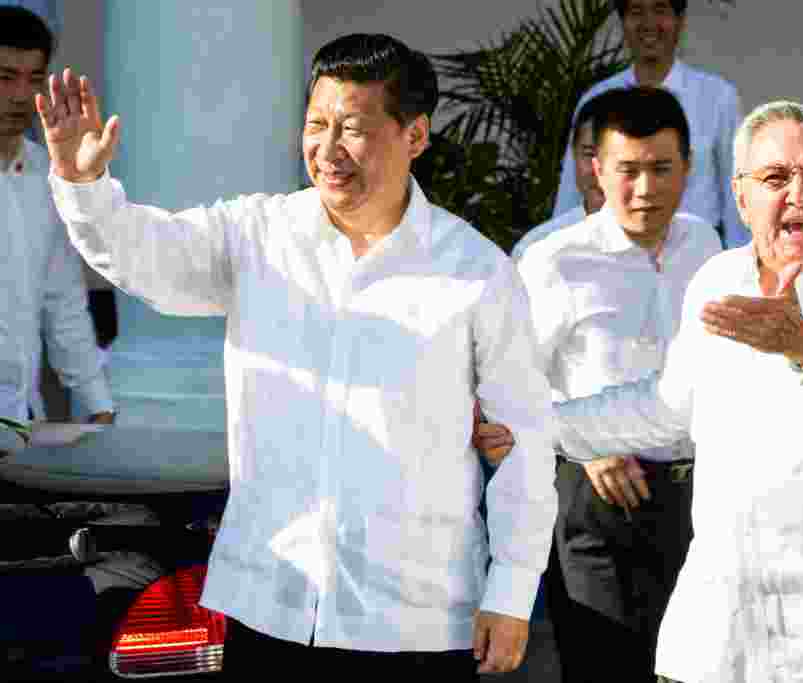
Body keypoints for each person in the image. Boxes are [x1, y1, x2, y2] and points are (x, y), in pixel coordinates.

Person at [38, 33, 557, 679]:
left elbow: (525, 442)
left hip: (415, 621)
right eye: (316, 124)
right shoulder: (258, 235)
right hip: (269, 607)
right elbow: (145, 254)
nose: (328, 149)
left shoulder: (477, 271)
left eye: (353, 128)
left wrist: (510, 593)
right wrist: (85, 184)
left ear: (415, 135)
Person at [552, 101, 803, 682]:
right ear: (741, 197)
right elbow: (669, 407)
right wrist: (537, 424)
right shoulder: (718, 279)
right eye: (774, 178)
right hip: (719, 646)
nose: (798, 193)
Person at [518, 86, 720, 683]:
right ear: (595, 169)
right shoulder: (554, 261)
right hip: (595, 497)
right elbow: (507, 385)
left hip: (695, 500)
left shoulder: (706, 247)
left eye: (662, 169)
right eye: (627, 170)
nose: (645, 189)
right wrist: (587, 445)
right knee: (605, 667)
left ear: (688, 167)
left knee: (690, 668)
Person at [552, 0, 746, 249]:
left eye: (660, 9)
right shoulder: (597, 99)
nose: (648, 23)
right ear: (622, 22)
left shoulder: (718, 98)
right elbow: (571, 191)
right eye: (636, 11)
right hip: (611, 260)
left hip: (696, 256)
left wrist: (742, 266)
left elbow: (736, 196)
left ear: (680, 20)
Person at [0, 5, 113, 425]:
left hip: (21, 423)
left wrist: (99, 405)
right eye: (4, 77)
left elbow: (63, 299)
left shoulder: (45, 175)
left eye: (33, 79)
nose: (19, 95)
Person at [511, 92, 609, 261]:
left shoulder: (665, 244)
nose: (599, 169)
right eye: (589, 154)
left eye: (615, 156)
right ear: (574, 154)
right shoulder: (537, 246)